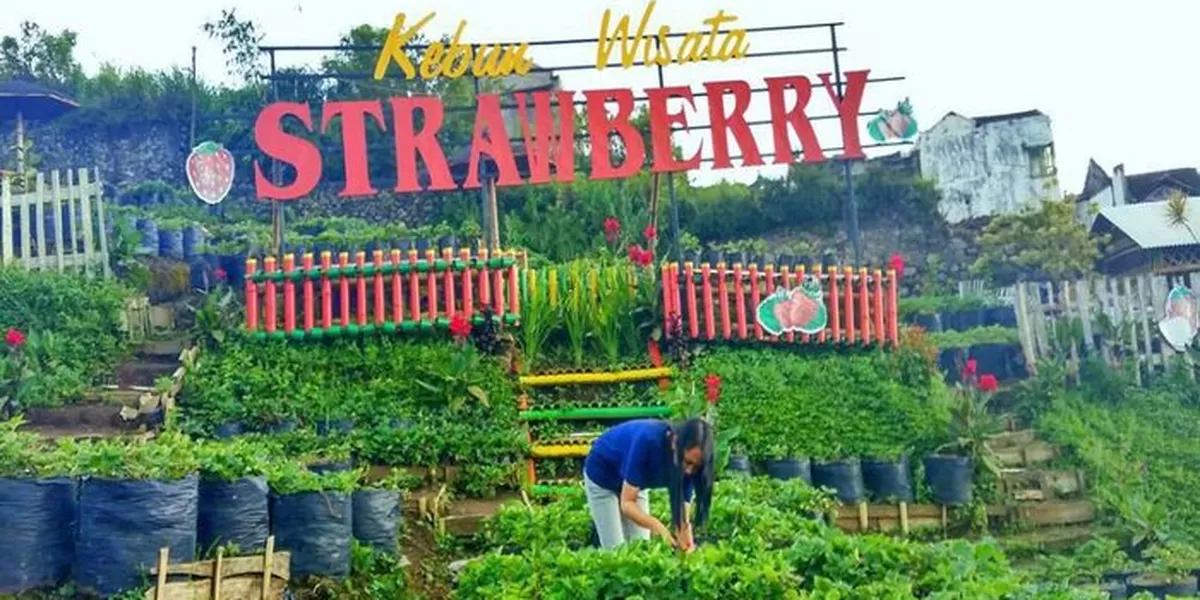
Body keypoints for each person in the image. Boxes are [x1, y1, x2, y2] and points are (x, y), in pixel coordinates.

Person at [582, 417, 714, 551]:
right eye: (687, 462)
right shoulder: (648, 441)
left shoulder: (690, 470)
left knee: (641, 548)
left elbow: (682, 520)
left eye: (696, 466)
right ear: (675, 442)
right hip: (603, 476)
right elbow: (627, 503)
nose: (689, 470)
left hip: (635, 484)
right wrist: (658, 527)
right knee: (615, 551)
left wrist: (687, 546)